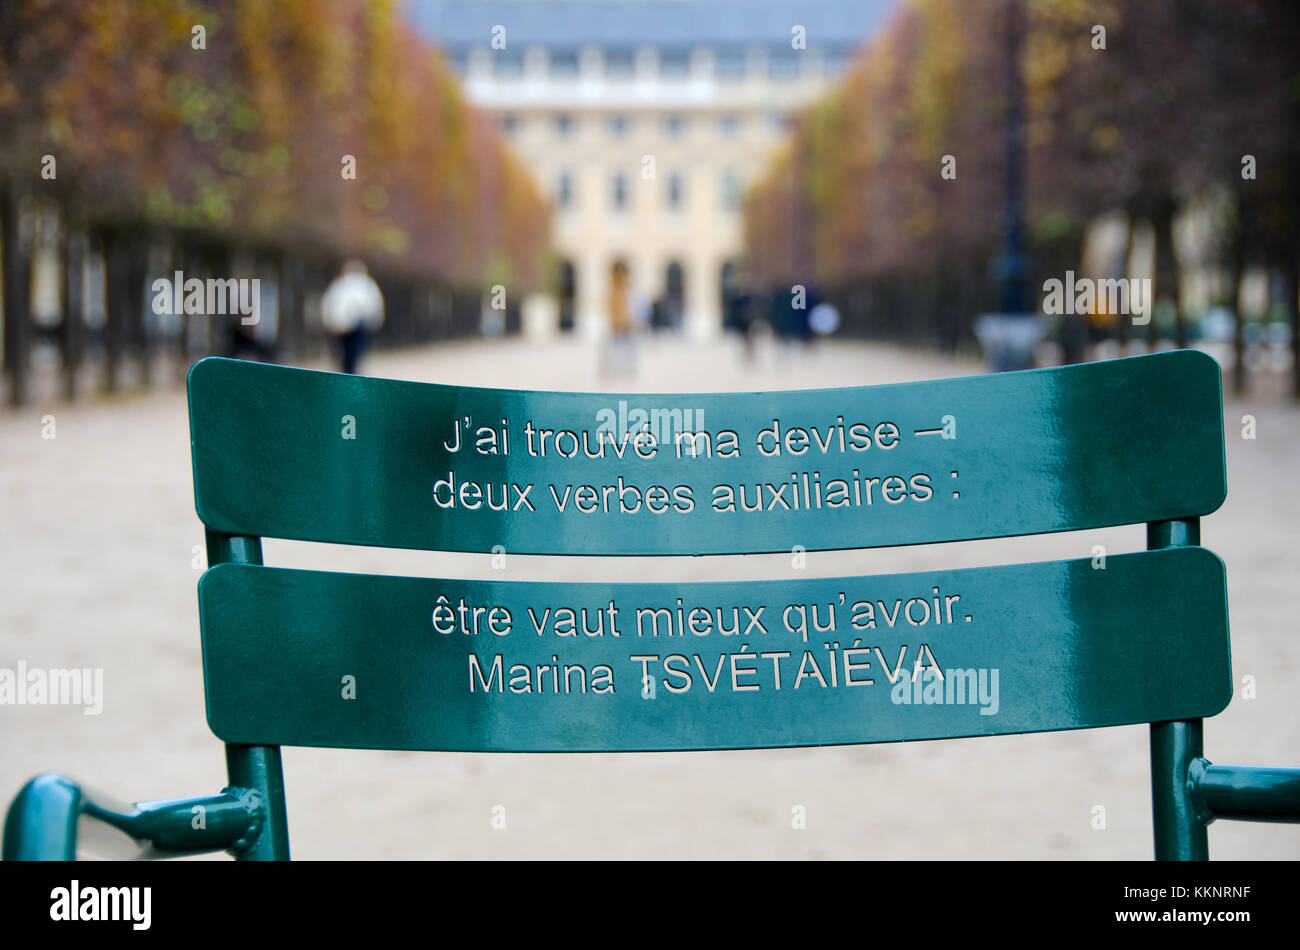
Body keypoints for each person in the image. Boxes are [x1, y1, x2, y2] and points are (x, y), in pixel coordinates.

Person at [321, 259, 384, 374]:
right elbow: (375, 305)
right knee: (353, 353)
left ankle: (348, 371)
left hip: (345, 325)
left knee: (347, 353)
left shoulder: (340, 284)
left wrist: (330, 322)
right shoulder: (366, 284)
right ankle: (350, 372)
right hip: (352, 326)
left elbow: (330, 304)